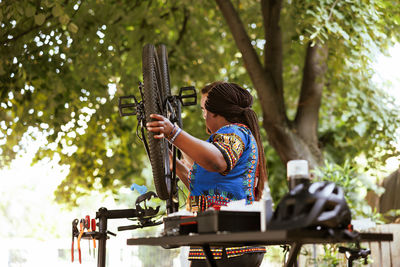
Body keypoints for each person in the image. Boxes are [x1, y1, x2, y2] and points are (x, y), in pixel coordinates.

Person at [146, 81, 269, 267]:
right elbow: (205, 187)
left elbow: (216, 161)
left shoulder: (236, 133)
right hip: (213, 244)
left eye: (204, 111)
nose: (204, 117)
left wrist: (173, 132)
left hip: (231, 247)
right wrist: (173, 162)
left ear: (214, 112)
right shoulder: (227, 138)